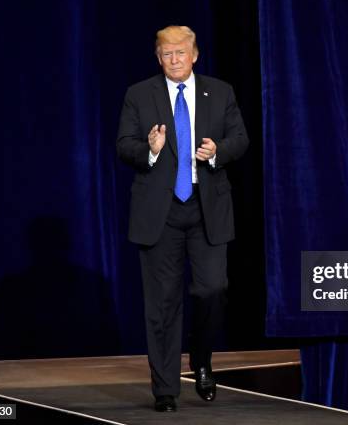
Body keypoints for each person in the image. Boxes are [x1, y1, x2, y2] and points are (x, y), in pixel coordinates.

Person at [116, 25, 249, 412]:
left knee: (212, 289)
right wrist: (150, 150)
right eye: (166, 54)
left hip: (207, 208)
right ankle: (165, 389)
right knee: (162, 303)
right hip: (160, 212)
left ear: (195, 55)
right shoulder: (139, 95)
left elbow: (240, 139)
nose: (174, 60)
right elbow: (124, 145)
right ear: (158, 58)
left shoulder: (220, 91)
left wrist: (218, 150)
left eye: (180, 53)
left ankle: (202, 359)